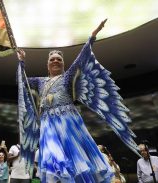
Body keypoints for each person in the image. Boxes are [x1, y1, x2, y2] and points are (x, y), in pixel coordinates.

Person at [16, 19, 139, 182]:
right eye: (52, 59)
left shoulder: (67, 77)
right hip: (47, 124)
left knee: (76, 160)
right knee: (54, 161)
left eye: (58, 59)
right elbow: (22, 81)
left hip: (68, 123)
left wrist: (92, 38)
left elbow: (81, 59)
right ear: (47, 64)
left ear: (63, 64)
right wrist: (21, 62)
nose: (55, 61)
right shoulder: (39, 81)